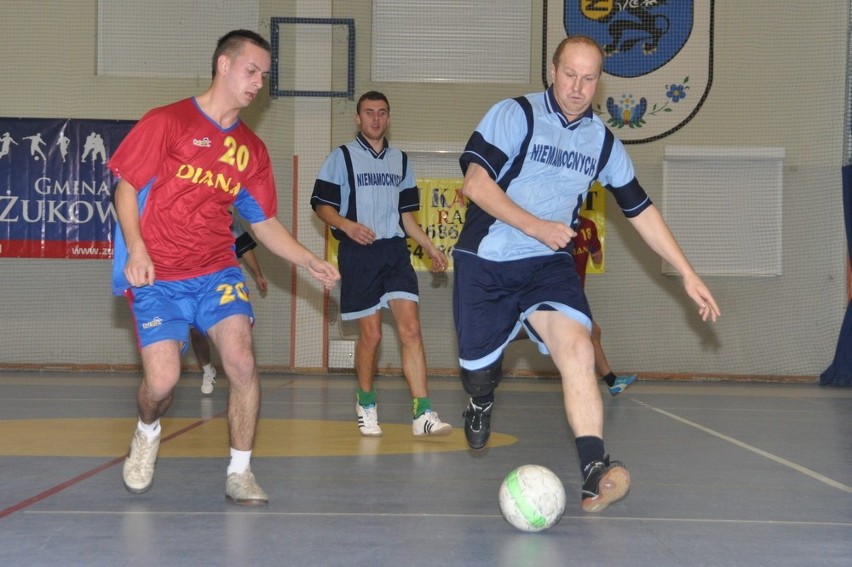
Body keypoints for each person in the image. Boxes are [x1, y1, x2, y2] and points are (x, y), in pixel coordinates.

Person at [452, 35, 720, 513]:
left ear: (600, 83)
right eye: (569, 74)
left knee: (578, 347)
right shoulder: (516, 115)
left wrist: (686, 272)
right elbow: (475, 183)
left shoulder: (603, 142)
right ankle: (479, 400)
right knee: (477, 375)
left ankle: (595, 470)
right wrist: (535, 226)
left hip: (548, 266)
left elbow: (640, 210)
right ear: (553, 71)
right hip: (487, 261)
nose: (577, 87)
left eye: (589, 78)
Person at [109, 29, 340, 506]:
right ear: (223, 65)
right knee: (161, 382)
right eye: (251, 71)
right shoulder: (167, 122)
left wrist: (309, 259)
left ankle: (240, 470)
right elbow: (126, 189)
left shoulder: (251, 151)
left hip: (216, 270)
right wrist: (136, 249)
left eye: (264, 76)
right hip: (159, 276)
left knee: (241, 360)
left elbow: (265, 224)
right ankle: (147, 431)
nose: (258, 83)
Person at [311, 91, 452, 438]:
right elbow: (321, 205)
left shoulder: (401, 161)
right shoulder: (341, 158)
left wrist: (431, 247)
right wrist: (346, 225)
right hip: (358, 254)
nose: (375, 118)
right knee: (371, 336)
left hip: (394, 253)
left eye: (382, 113)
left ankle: (422, 413)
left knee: (411, 329)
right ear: (358, 119)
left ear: (389, 118)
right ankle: (366, 402)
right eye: (369, 113)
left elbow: (407, 218)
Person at [194, 214, 269, 395]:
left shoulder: (228, 218)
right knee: (195, 332)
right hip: (194, 282)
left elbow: (244, 248)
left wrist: (258, 274)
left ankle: (237, 372)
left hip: (224, 282)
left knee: (232, 331)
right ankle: (207, 370)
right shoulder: (186, 213)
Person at [572, 213, 637, 396]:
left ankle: (611, 381)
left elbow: (597, 256)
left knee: (593, 332)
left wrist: (595, 252)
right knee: (589, 333)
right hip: (563, 291)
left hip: (575, 292)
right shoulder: (560, 225)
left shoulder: (587, 226)